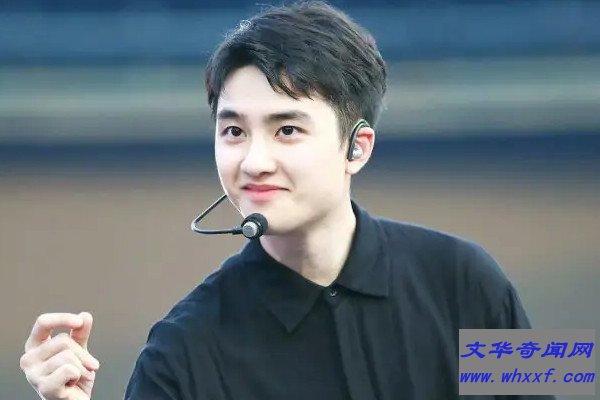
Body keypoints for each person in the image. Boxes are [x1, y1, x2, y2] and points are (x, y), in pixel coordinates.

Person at [20, 2, 553, 399]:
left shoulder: (466, 281)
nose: (254, 161)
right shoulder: (183, 350)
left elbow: (553, 381)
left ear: (357, 147)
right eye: (233, 131)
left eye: (287, 130)